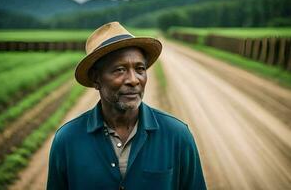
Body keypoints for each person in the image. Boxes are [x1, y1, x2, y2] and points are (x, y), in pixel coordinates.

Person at [47, 21, 206, 190]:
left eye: (140, 69)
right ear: (96, 79)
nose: (133, 80)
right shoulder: (67, 140)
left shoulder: (177, 135)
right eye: (120, 69)